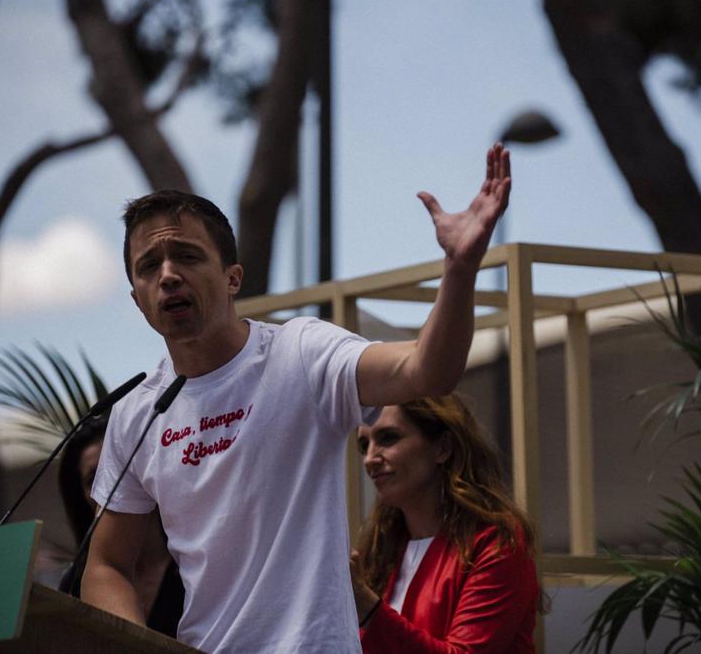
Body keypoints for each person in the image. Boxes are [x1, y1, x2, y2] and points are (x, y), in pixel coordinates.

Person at [81, 145, 512, 653]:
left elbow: (427, 370)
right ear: (137, 298)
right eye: (148, 266)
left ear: (232, 278)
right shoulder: (137, 413)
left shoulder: (300, 353)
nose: (168, 275)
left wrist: (459, 269)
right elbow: (105, 565)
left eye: (188, 256)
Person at [350, 394, 541, 652]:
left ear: (442, 448)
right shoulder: (381, 546)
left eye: (388, 438)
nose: (369, 458)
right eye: (364, 445)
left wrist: (364, 602)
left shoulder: (496, 543)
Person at [57, 413, 184, 637]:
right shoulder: (74, 583)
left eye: (119, 469)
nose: (110, 485)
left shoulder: (192, 562)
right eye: (93, 480)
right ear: (84, 498)